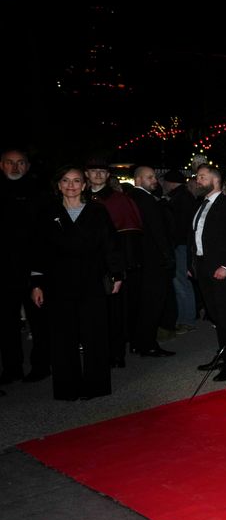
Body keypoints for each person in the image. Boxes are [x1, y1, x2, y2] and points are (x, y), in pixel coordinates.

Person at [30, 166, 124, 400]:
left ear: (84, 185)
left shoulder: (97, 211)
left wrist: (117, 274)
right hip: (58, 284)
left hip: (91, 281)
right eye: (65, 181)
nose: (71, 185)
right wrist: (37, 283)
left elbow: (110, 244)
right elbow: (38, 250)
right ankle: (67, 388)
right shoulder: (46, 213)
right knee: (62, 338)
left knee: (95, 335)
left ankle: (96, 386)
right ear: (59, 185)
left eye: (76, 181)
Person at [85, 157, 142, 369]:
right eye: (93, 170)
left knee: (114, 312)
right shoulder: (79, 197)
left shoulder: (119, 200)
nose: (98, 174)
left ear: (108, 175)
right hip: (85, 265)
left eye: (102, 171)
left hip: (111, 265)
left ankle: (117, 354)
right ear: (86, 174)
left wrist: (121, 268)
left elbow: (130, 234)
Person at [191, 164, 226, 382]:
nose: (198, 180)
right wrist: (191, 263)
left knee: (224, 316)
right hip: (202, 267)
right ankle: (222, 354)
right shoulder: (201, 204)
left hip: (220, 269)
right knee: (214, 315)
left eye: (202, 177)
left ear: (215, 180)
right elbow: (194, 235)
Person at [0, 147, 49, 384]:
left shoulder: (39, 194)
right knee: (7, 326)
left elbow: (43, 238)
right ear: (2, 165)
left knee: (38, 323)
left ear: (27, 166)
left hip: (32, 271)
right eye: (10, 163)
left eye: (20, 163)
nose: (15, 167)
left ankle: (40, 366)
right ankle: (11, 369)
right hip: (4, 273)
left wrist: (38, 275)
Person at [126, 165, 175, 358]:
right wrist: (167, 256)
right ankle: (148, 344)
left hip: (141, 260)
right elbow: (157, 231)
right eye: (150, 177)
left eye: (154, 177)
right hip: (153, 260)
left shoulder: (132, 198)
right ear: (138, 180)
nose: (154, 180)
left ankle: (139, 342)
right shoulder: (145, 199)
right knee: (153, 303)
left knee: (142, 303)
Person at [160, 169, 199, 329]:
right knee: (182, 283)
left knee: (181, 283)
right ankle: (186, 317)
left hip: (180, 246)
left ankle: (187, 320)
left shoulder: (179, 199)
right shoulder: (183, 196)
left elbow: (179, 227)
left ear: (170, 182)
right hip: (183, 245)